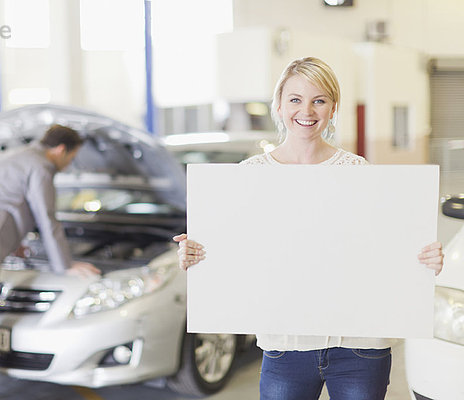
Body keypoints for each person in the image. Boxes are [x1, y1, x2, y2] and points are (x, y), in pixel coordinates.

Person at [173, 57, 444, 400]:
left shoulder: (357, 171)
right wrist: (198, 254)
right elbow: (238, 252)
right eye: (296, 99)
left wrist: (423, 259)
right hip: (286, 346)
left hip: (359, 346)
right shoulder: (250, 176)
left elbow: (382, 247)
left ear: (333, 108)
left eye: (319, 100)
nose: (307, 110)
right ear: (280, 105)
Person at [0, 124, 101, 400]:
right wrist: (66, 264)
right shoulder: (41, 167)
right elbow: (47, 218)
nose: (69, 166)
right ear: (60, 150)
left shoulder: (16, 155)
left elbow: (6, 204)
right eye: (71, 159)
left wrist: (17, 242)